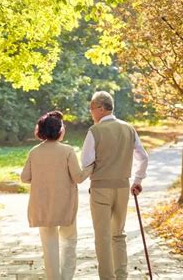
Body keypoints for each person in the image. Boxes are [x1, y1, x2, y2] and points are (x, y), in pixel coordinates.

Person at [81, 91, 149, 280]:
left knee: (103, 237)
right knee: (118, 235)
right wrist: (137, 180)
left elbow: (86, 162)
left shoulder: (94, 131)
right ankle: (122, 277)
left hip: (100, 189)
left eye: (92, 108)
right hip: (122, 189)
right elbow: (143, 157)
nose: (91, 112)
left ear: (101, 108)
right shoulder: (128, 128)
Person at [21, 111, 93, 280]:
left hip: (43, 206)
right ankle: (66, 277)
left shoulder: (34, 151)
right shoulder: (67, 151)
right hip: (65, 205)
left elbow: (25, 177)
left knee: (49, 246)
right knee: (69, 242)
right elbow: (78, 177)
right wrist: (91, 166)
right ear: (59, 130)